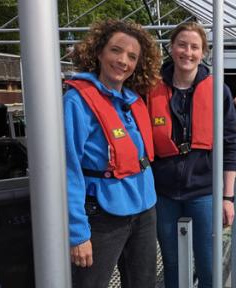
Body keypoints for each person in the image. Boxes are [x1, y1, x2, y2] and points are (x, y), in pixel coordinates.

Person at [63, 19, 161, 287]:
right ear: (98, 52)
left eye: (132, 56)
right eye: (116, 51)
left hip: (144, 211)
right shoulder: (77, 102)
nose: (123, 61)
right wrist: (78, 234)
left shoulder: (133, 100)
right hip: (103, 216)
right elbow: (67, 171)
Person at [147, 22, 236, 288]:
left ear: (203, 52)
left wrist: (228, 197)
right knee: (172, 261)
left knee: (208, 261)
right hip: (163, 193)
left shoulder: (218, 91)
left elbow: (230, 145)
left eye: (194, 47)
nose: (188, 52)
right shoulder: (150, 89)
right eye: (182, 45)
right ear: (171, 48)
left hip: (203, 192)